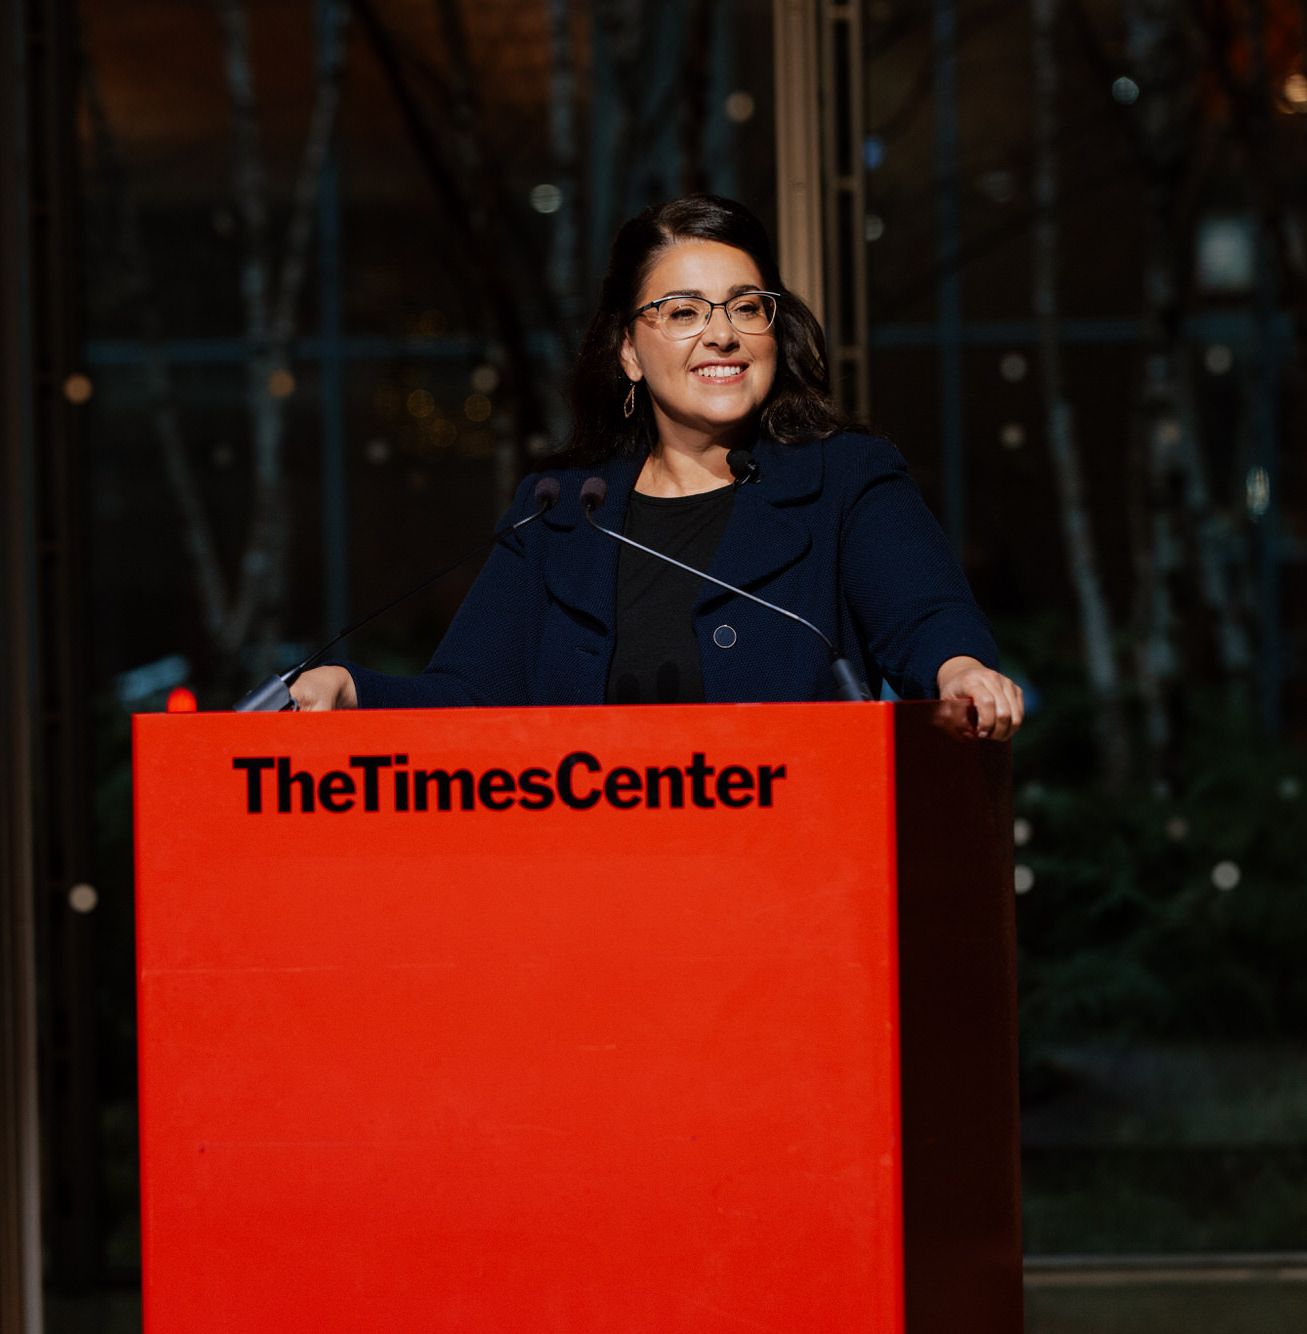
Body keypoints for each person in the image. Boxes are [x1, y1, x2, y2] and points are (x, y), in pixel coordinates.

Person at [291, 194, 1023, 740]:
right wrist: (354, 691)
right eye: (681, 312)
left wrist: (959, 672)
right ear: (629, 352)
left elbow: (926, 618)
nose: (721, 335)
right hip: (593, 894)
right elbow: (472, 696)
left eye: (745, 307)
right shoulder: (556, 510)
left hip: (789, 892)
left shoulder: (846, 479)